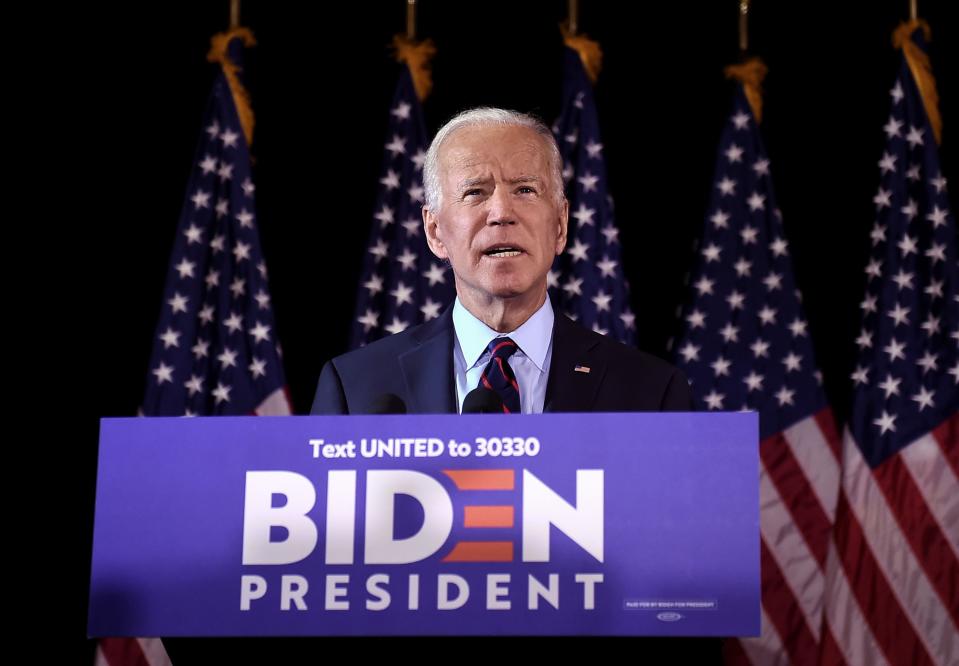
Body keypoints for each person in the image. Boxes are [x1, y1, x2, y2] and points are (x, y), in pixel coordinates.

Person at [312, 107, 691, 415]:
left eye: (525, 189)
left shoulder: (650, 391)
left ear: (560, 225)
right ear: (434, 231)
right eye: (475, 192)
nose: (501, 212)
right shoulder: (355, 389)